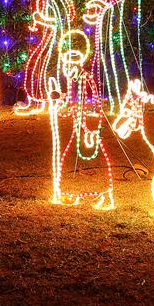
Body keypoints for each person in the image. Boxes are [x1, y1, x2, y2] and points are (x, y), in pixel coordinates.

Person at [48, 30, 114, 210]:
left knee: (95, 157)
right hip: (76, 127)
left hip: (88, 129)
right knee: (69, 156)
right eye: (67, 58)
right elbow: (67, 104)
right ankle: (70, 193)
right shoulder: (70, 81)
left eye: (74, 57)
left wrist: (93, 126)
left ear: (81, 58)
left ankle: (103, 193)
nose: (70, 62)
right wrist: (58, 103)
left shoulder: (86, 78)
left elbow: (95, 102)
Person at [82, 0, 143, 117]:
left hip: (119, 37)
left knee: (118, 69)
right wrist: (97, 9)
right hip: (109, 37)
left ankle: (123, 104)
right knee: (109, 69)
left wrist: (100, 7)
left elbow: (114, 7)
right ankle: (115, 103)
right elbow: (106, 5)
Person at [15, 0, 75, 116]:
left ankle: (56, 101)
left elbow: (56, 21)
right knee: (36, 68)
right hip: (48, 38)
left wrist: (38, 18)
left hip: (53, 40)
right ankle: (39, 102)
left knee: (43, 68)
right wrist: (38, 22)